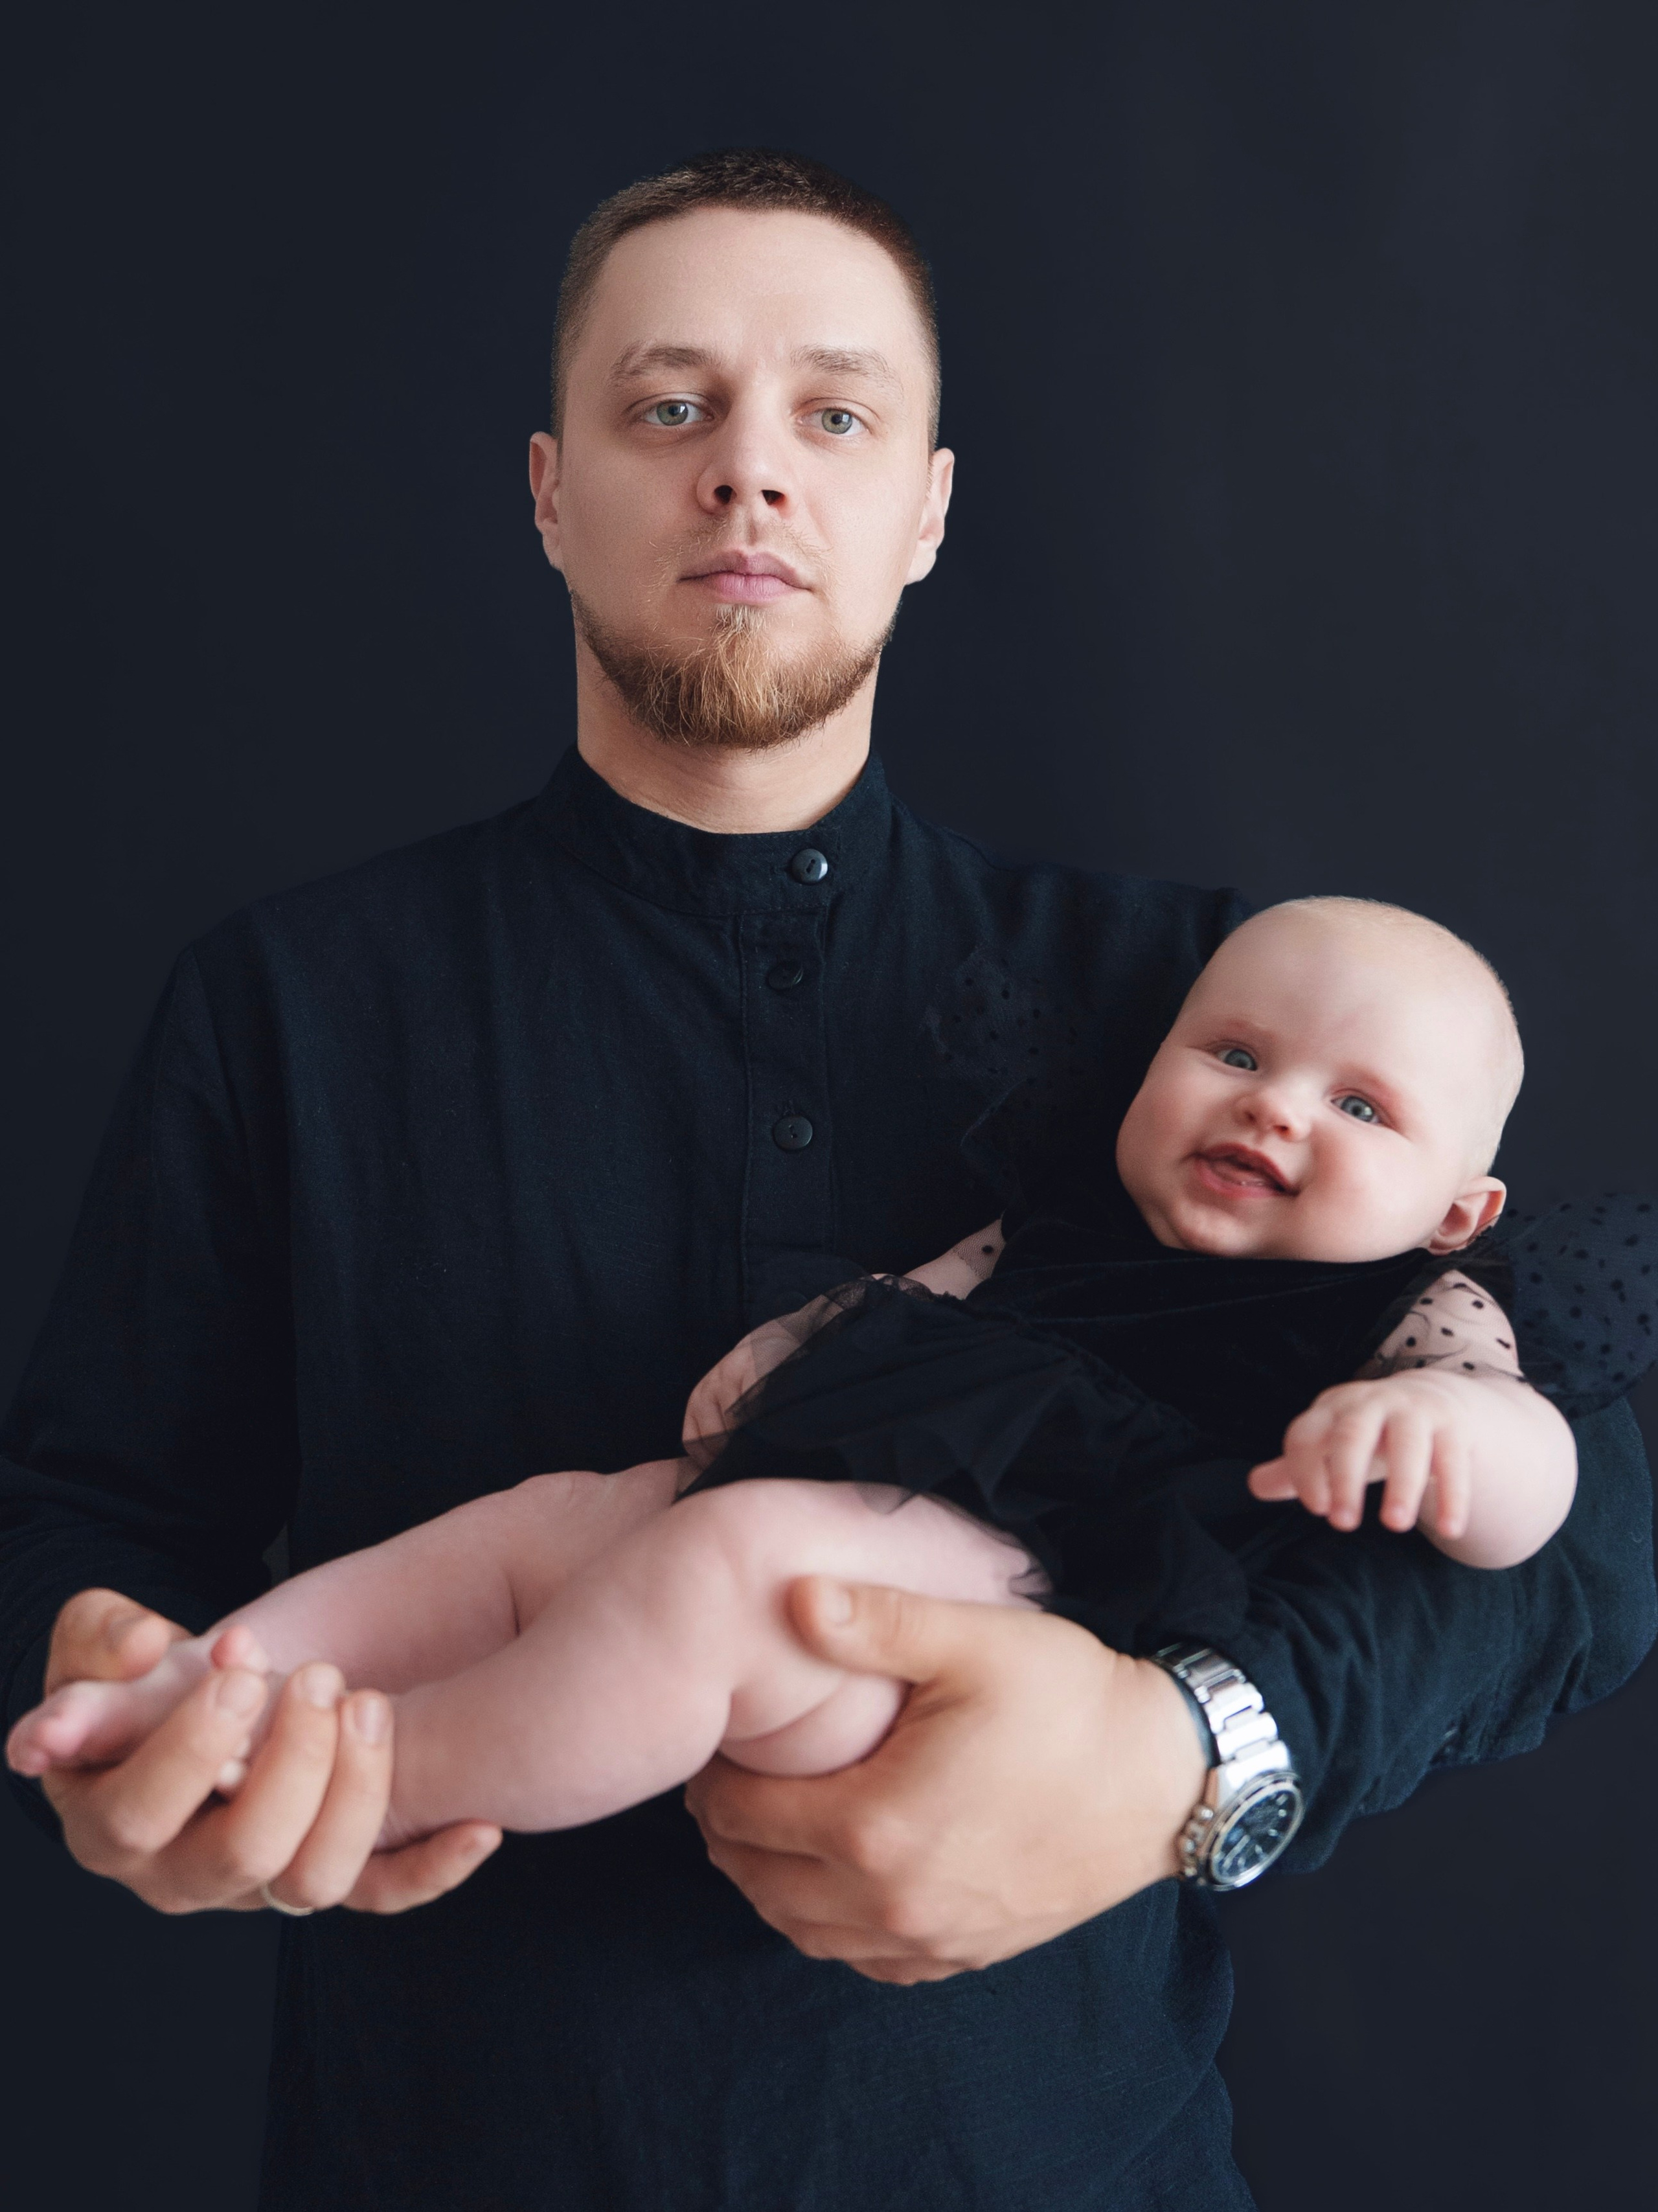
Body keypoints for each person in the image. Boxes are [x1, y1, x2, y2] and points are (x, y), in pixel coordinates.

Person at [0, 148, 1650, 2211]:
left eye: (835, 415)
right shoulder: (291, 1003)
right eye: (669, 406)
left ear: (928, 507)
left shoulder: (1205, 1016)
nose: (748, 477)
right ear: (546, 489)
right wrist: (116, 1734)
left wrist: (1192, 1754)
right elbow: (82, 1516)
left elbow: (1590, 1523)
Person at [8, 898, 1600, 1841]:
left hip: (991, 1627)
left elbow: (1541, 1499)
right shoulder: (1058, 1217)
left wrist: (1446, 1427)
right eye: (1234, 1055)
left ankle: (382, 1775)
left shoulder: (1415, 1315)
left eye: (1361, 1108)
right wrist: (775, 1360)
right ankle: (213, 1685)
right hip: (828, 1520)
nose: (1273, 1108)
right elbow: (909, 1302)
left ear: (1459, 1208)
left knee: (727, 1555)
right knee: (561, 1514)